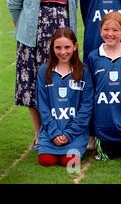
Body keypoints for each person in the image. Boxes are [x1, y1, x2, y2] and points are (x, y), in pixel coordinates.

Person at [7, 0, 78, 151]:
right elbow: (14, 3)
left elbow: (73, 2)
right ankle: (39, 133)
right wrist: (25, 29)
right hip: (32, 40)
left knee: (58, 83)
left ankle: (59, 130)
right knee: (33, 86)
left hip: (61, 39)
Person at [87, 12, 121, 160]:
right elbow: (90, 89)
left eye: (115, 30)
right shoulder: (93, 57)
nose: (110, 34)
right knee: (105, 156)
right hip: (102, 122)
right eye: (106, 29)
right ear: (100, 30)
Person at [36, 28, 93, 166]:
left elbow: (86, 106)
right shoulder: (44, 70)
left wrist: (69, 134)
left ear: (75, 46)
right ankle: (50, 142)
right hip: (51, 130)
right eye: (58, 47)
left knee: (70, 162)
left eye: (67, 47)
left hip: (75, 132)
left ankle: (75, 143)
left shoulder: (83, 71)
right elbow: (42, 105)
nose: (63, 52)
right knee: (46, 160)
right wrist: (54, 133)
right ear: (52, 48)